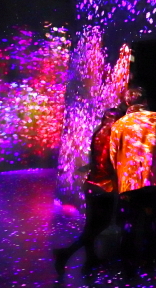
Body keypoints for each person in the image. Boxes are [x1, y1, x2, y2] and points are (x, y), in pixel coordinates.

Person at [109, 86, 156, 270]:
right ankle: (149, 261)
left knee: (129, 221)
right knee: (151, 219)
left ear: (127, 102)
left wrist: (120, 180)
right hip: (153, 179)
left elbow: (113, 157)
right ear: (145, 101)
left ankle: (128, 263)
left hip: (128, 182)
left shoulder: (118, 125)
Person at [52, 108, 122, 274]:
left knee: (91, 225)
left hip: (92, 183)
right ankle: (66, 253)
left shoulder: (99, 131)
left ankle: (91, 259)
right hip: (103, 185)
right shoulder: (111, 135)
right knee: (100, 224)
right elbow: (107, 164)